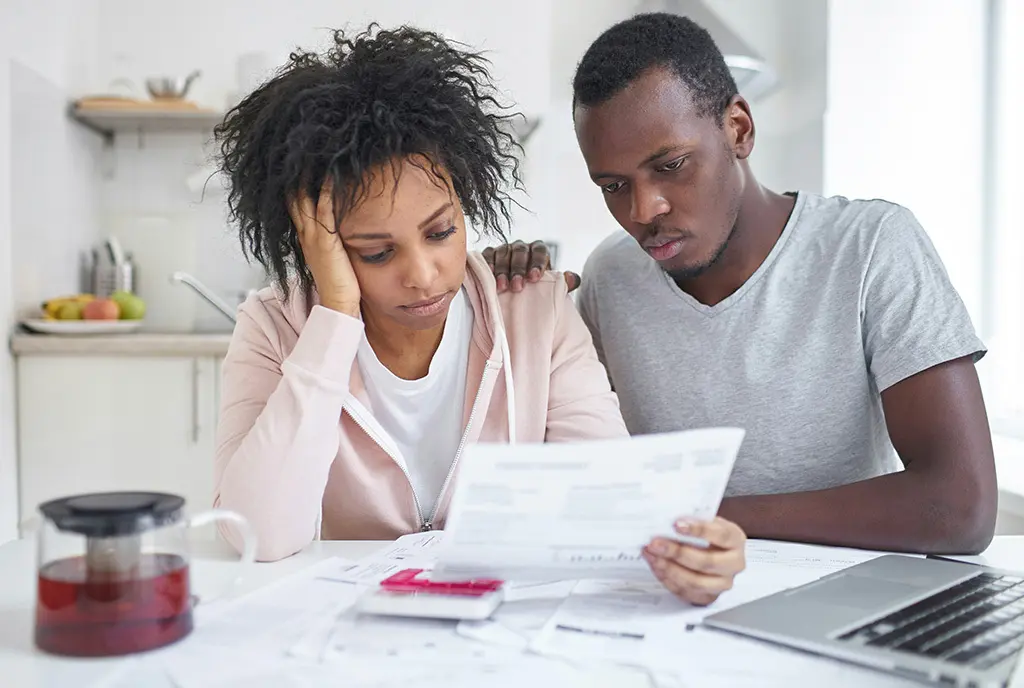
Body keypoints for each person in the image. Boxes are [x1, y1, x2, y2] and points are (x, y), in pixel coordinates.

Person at [209, 24, 746, 604]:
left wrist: (691, 552)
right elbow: (256, 537)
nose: (423, 272)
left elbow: (603, 497)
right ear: (319, 244)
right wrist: (336, 314)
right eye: (376, 251)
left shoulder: (533, 310)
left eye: (440, 231)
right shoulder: (274, 328)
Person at [484, 12, 997, 555]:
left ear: (738, 129)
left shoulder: (871, 247)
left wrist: (700, 520)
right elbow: (566, 462)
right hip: (668, 601)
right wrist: (509, 300)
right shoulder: (611, 276)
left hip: (840, 596)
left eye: (672, 165)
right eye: (613, 185)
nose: (643, 210)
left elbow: (960, 507)